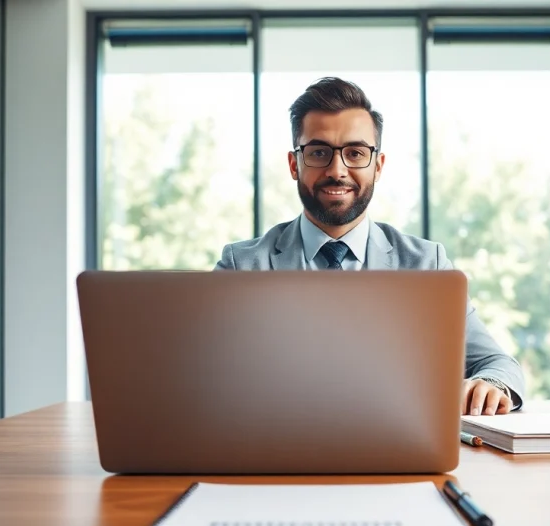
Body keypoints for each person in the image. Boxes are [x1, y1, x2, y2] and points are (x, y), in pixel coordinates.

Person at [215, 77, 525, 416]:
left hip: (397, 445)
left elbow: (498, 363)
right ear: (294, 164)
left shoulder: (427, 265)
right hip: (273, 442)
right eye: (318, 153)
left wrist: (489, 385)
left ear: (377, 166)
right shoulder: (241, 266)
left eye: (355, 153)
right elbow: (196, 371)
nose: (337, 170)